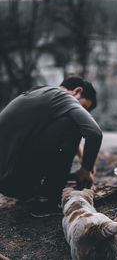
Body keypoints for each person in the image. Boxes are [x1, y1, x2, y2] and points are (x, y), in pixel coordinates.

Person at [0, 76, 102, 217]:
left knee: (69, 123)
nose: (82, 111)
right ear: (77, 91)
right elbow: (94, 133)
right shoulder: (64, 97)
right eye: (83, 107)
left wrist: (82, 157)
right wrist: (86, 169)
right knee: (74, 124)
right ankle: (47, 201)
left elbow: (55, 134)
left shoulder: (42, 93)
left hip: (7, 180)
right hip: (14, 179)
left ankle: (31, 193)